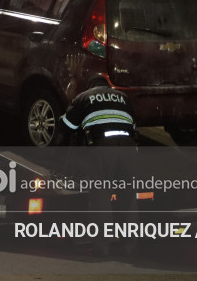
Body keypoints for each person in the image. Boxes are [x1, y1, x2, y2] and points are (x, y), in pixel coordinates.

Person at [57, 86, 138, 255]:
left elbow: (68, 125)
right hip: (129, 147)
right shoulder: (122, 97)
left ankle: (102, 246)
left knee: (101, 195)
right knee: (128, 196)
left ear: (91, 86)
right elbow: (134, 124)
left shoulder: (84, 97)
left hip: (103, 147)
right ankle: (130, 245)